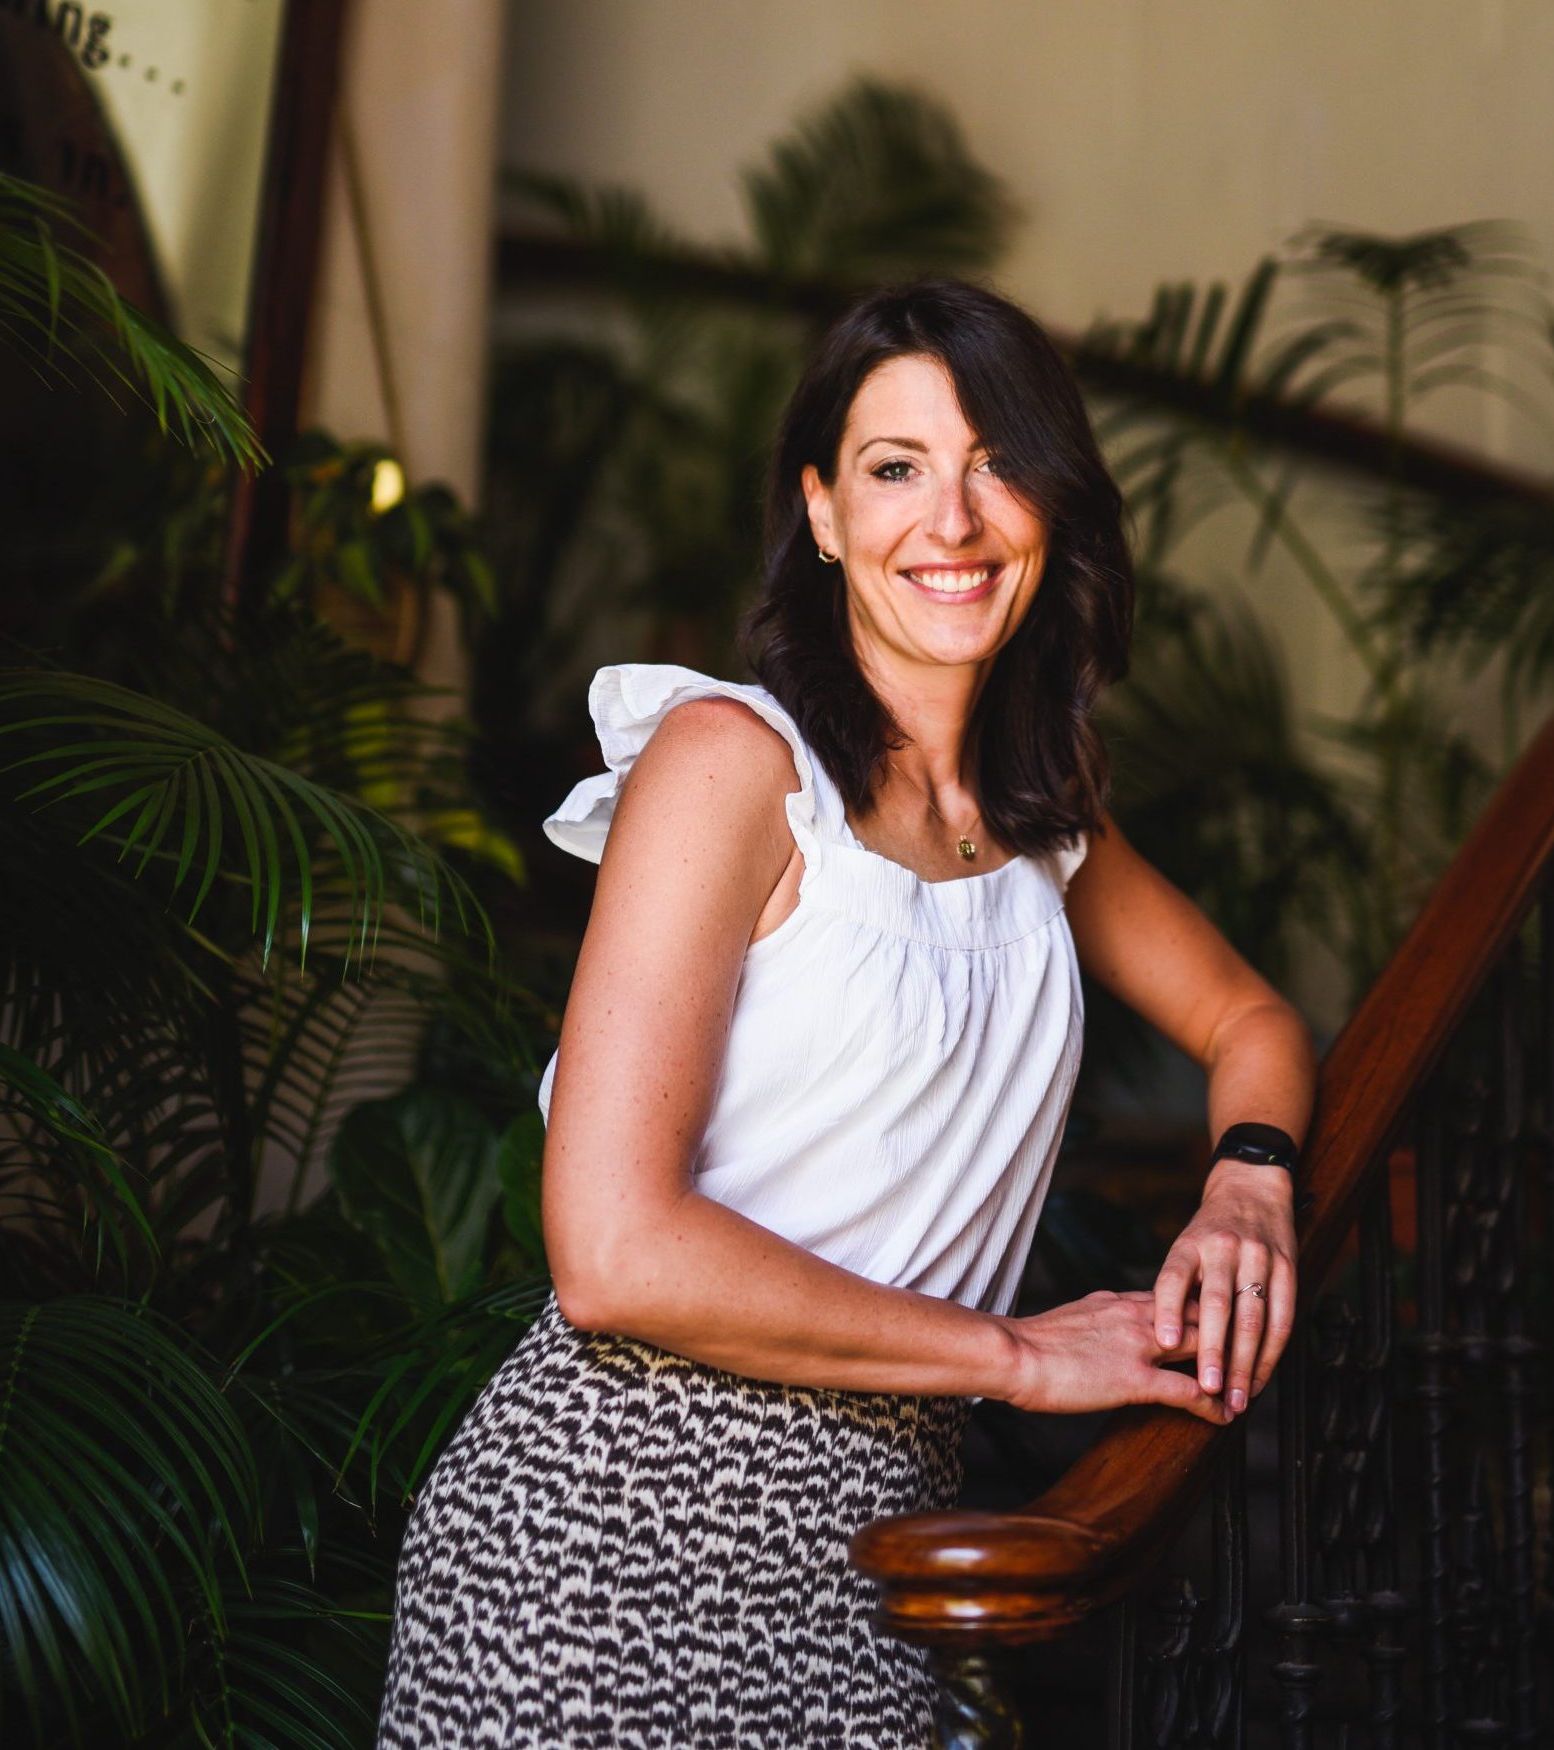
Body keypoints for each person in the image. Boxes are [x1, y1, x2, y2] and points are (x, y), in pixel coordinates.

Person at [376, 277, 1316, 1749]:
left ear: (1051, 505)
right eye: (895, 468)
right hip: (604, 1535)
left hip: (876, 1545)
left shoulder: (1038, 821)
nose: (952, 520)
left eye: (994, 465)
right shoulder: (730, 764)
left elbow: (1249, 1017)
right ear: (820, 510)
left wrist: (1248, 1181)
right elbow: (613, 1255)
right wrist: (1020, 1354)